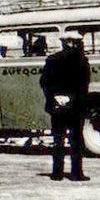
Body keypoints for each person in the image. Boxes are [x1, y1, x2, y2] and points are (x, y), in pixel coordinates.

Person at [40, 29, 90, 181]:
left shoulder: (52, 59)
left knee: (58, 140)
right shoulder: (82, 61)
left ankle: (57, 173)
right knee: (76, 140)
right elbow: (83, 84)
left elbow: (45, 82)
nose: (71, 44)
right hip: (75, 106)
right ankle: (76, 173)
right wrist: (71, 98)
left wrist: (56, 97)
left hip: (58, 106)